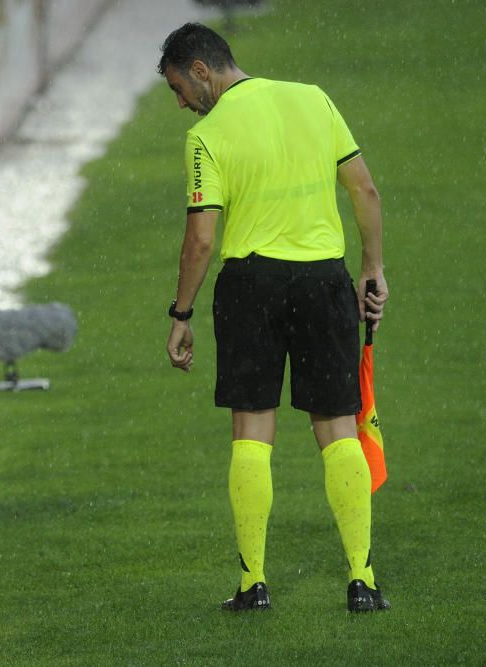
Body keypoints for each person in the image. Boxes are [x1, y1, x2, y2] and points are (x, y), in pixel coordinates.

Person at [157, 23, 390, 613]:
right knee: (338, 427)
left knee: (252, 432)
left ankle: (252, 583)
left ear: (202, 70)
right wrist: (372, 268)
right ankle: (361, 581)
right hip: (324, 280)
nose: (182, 103)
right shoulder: (314, 98)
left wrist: (180, 312)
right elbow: (364, 191)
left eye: (180, 88)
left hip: (251, 286)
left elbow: (201, 241)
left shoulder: (207, 137)